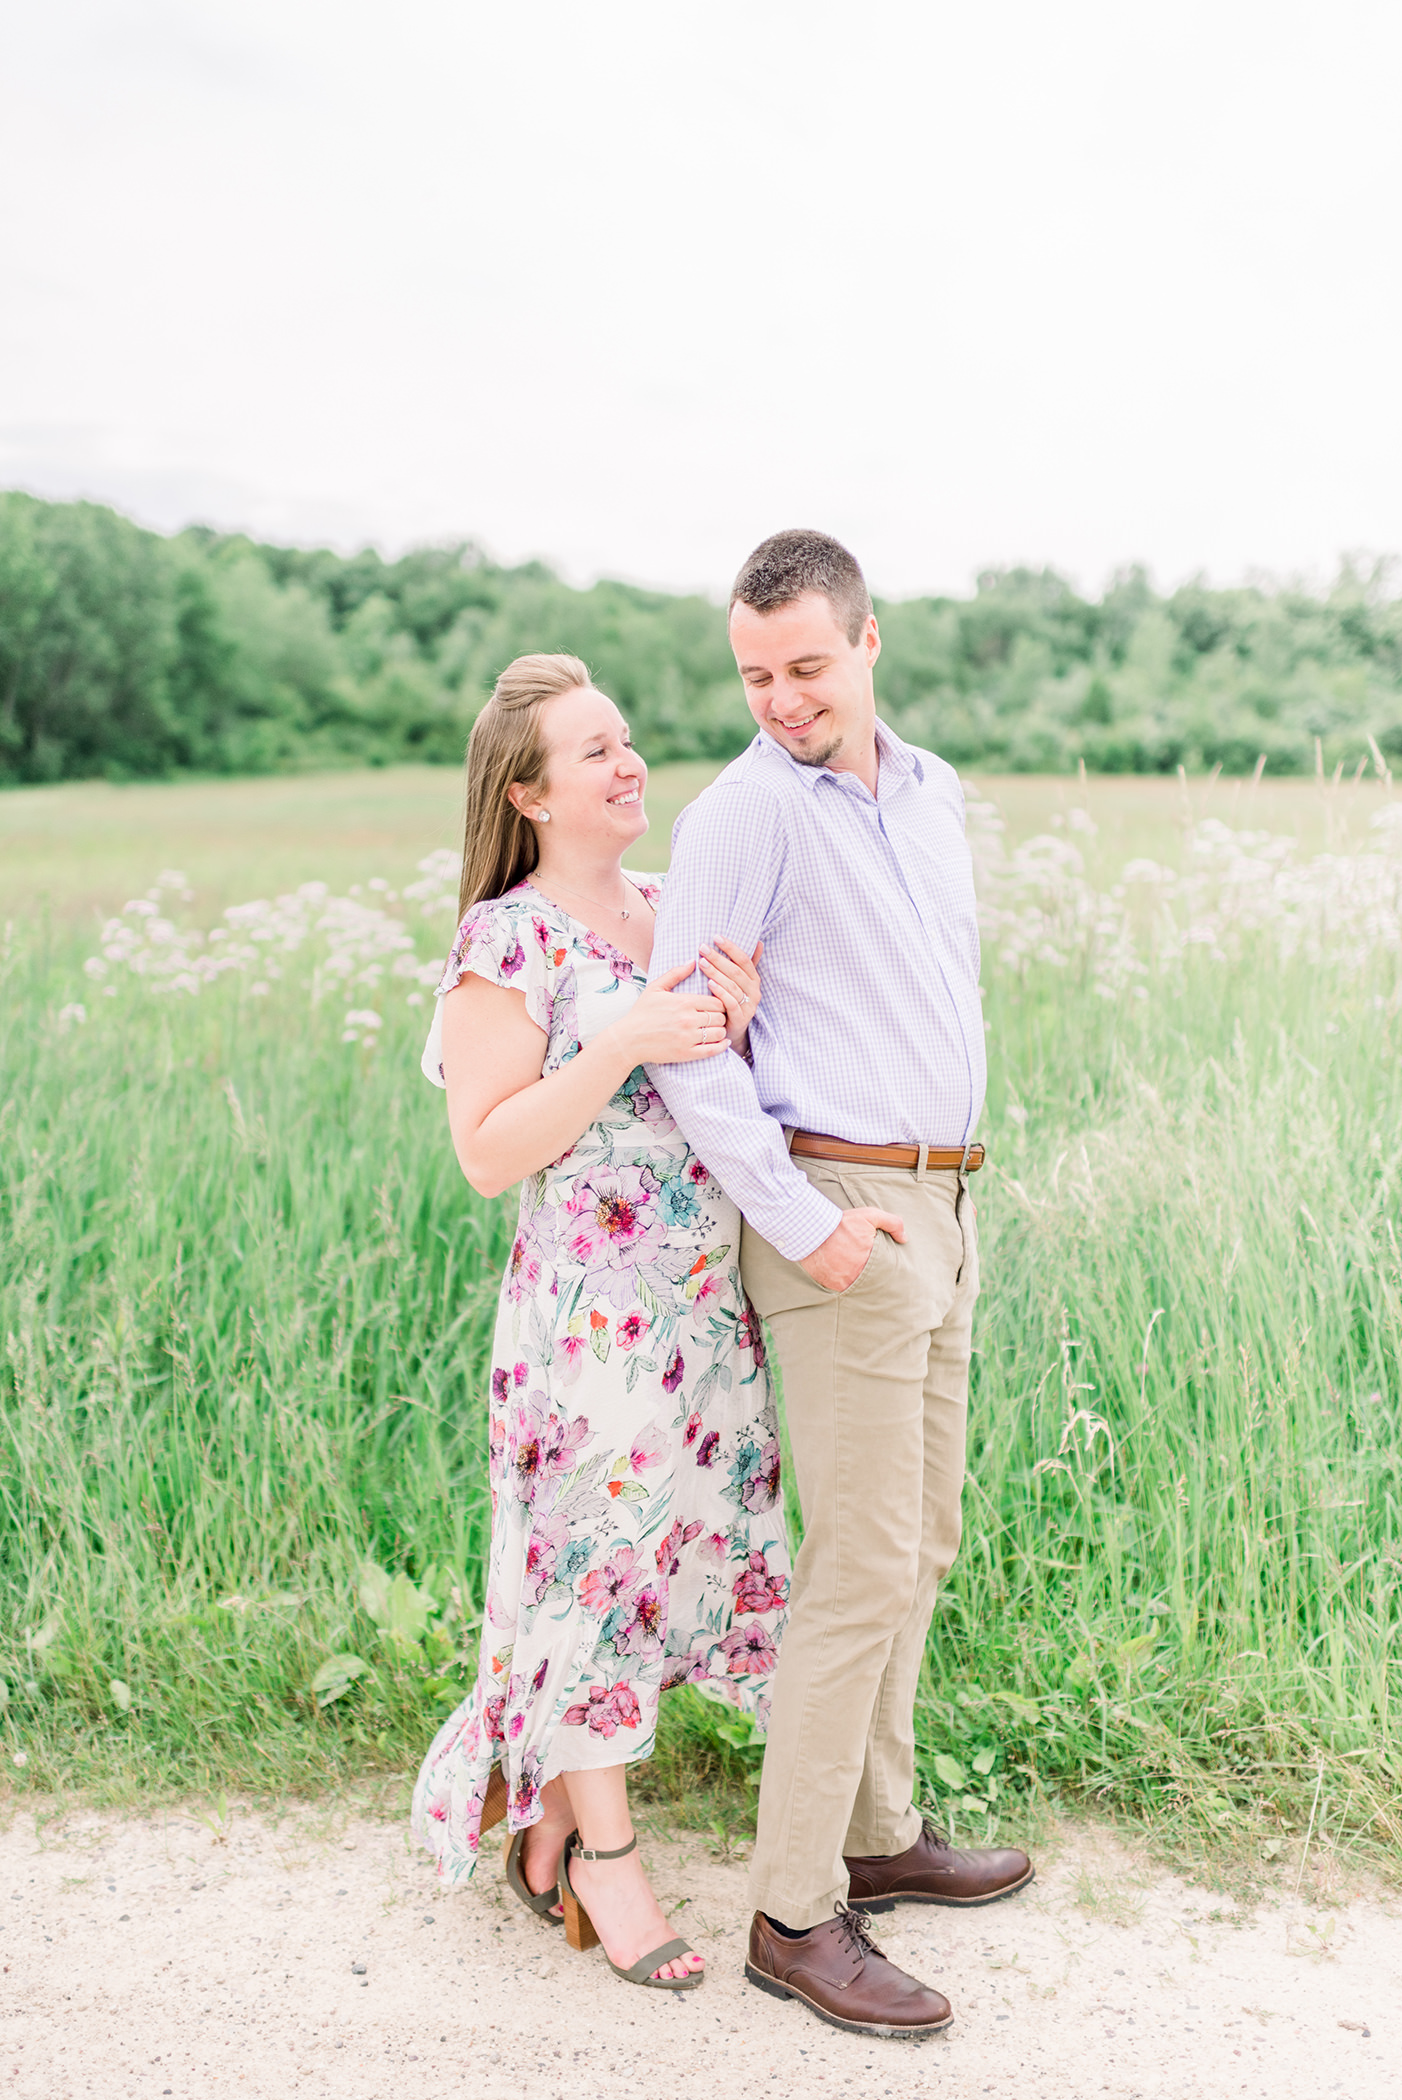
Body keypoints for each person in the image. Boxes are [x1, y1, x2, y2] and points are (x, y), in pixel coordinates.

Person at [646, 531, 1033, 2038]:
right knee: (858, 1559)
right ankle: (793, 1908)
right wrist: (801, 1222)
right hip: (838, 1209)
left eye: (805, 668)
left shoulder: (932, 794)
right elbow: (688, 1053)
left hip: (944, 1200)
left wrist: (933, 1199)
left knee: (917, 1539)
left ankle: (879, 1832)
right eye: (754, 675)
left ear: (869, 643)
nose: (781, 700)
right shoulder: (740, 816)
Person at [410, 652, 791, 1994]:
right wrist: (622, 1040)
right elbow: (487, 1152)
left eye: (626, 742)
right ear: (528, 793)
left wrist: (730, 1023)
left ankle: (553, 1817)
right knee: (592, 1578)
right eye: (592, 753)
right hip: (587, 1332)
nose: (629, 766)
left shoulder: (668, 906)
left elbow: (729, 1093)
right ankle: (599, 1863)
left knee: (666, 1565)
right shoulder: (504, 941)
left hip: (701, 1318)